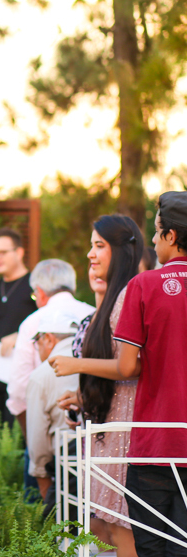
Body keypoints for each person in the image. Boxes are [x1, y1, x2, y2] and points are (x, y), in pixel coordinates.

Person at [50, 214, 143, 557]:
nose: (90, 254)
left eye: (99, 246)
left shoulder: (130, 296)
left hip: (125, 426)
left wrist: (75, 364)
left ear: (121, 252)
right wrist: (81, 400)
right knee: (101, 525)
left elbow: (132, 367)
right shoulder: (109, 305)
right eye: (91, 246)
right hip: (105, 423)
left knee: (120, 527)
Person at [114, 192, 187, 557]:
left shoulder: (143, 286)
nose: (154, 241)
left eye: (157, 233)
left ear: (172, 237)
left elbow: (126, 366)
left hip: (156, 444)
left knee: (152, 548)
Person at [5, 259, 94, 432]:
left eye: (34, 296)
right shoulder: (94, 314)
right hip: (94, 424)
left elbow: (18, 388)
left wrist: (31, 435)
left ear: (40, 292)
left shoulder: (32, 322)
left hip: (50, 428)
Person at [0, 228, 38, 425]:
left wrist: (19, 336)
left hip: (22, 371)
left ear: (19, 252)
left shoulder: (34, 286)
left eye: (3, 252)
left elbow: (46, 324)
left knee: (19, 430)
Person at [25, 314, 79, 501]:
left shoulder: (41, 375)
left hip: (65, 466)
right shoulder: (97, 361)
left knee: (64, 524)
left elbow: (37, 438)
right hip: (104, 458)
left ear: (48, 338)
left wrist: (44, 484)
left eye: (36, 341)